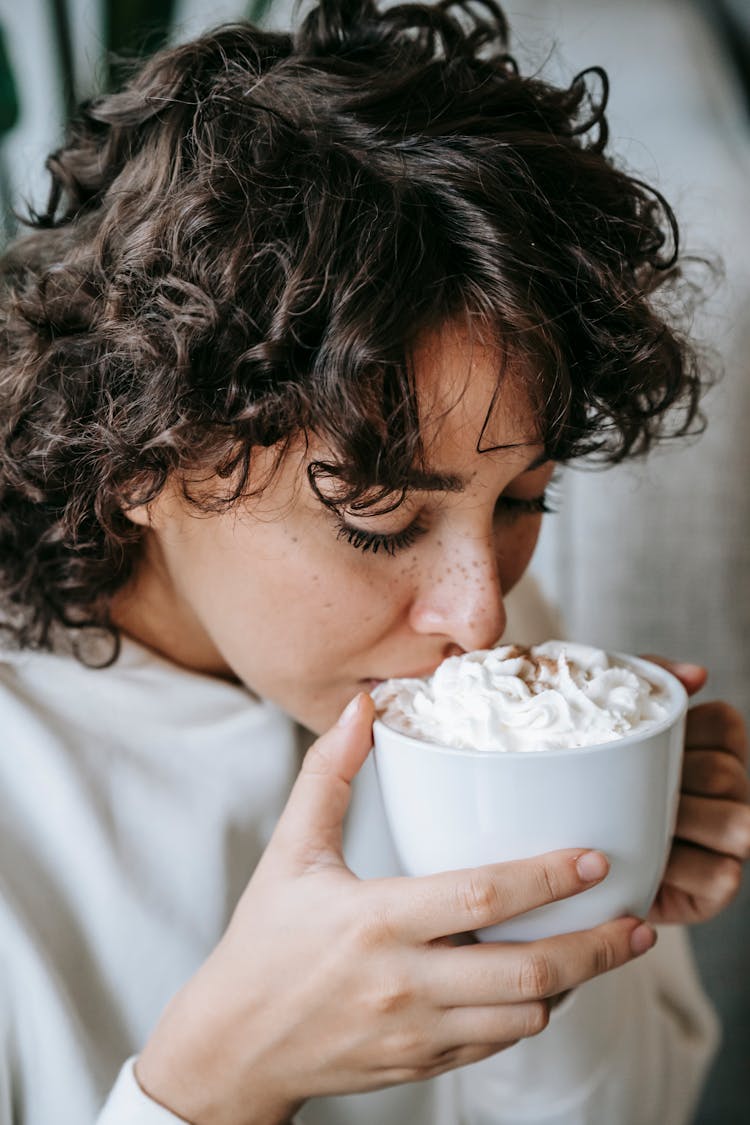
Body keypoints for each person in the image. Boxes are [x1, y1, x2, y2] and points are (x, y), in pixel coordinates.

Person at [0, 1, 747, 1122]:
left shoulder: (478, 652)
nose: (482, 617)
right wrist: (213, 1087)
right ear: (138, 462)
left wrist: (571, 915)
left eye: (522, 502)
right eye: (382, 518)